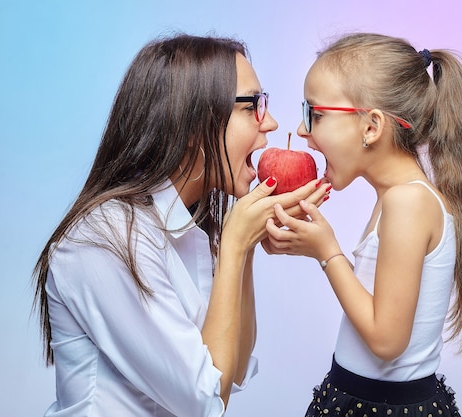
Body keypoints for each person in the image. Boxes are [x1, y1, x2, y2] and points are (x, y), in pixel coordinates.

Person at [31, 33, 329, 417]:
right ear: (192, 127)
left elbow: (232, 370)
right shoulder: (102, 239)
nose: (269, 122)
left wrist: (246, 246)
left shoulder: (191, 227)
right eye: (252, 106)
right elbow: (204, 400)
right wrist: (236, 244)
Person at [263, 33, 462, 416]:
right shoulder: (395, 197)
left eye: (315, 115)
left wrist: (327, 252)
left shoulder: (409, 201)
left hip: (378, 407)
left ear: (371, 126)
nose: (303, 130)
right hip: (359, 396)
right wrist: (309, 244)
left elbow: (387, 340)